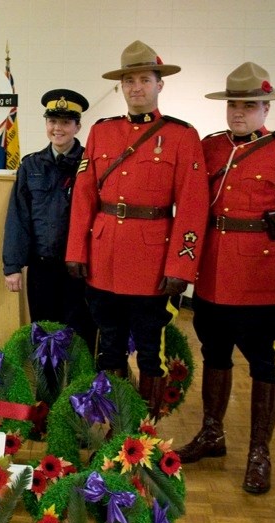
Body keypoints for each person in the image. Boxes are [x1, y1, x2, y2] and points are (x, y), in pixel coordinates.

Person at [175, 63, 275, 494]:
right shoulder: (211, 147)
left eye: (249, 106)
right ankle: (213, 433)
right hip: (213, 271)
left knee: (263, 362)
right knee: (214, 353)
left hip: (259, 274)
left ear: (265, 108)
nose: (239, 113)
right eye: (234, 104)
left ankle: (260, 450)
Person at [65, 40, 209, 418]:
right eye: (129, 81)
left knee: (150, 349)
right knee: (108, 344)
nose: (136, 88)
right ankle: (111, 425)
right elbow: (83, 197)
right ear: (121, 87)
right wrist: (77, 251)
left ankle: (144, 431)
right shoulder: (102, 131)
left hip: (152, 262)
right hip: (103, 256)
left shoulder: (181, 136)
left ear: (159, 84)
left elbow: (193, 208)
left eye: (145, 79)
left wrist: (181, 266)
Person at [3, 89, 96, 351]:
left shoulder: (92, 164)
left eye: (66, 122)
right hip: (41, 268)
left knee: (79, 336)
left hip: (78, 271)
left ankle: (80, 390)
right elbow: (18, 216)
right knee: (43, 336)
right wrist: (12, 265)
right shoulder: (31, 165)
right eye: (53, 121)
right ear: (46, 124)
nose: (58, 128)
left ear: (78, 126)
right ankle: (47, 390)